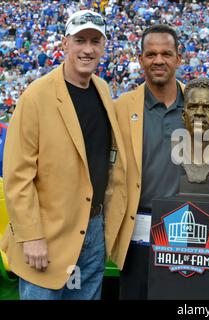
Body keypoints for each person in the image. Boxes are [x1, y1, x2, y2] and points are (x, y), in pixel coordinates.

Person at [0, 10, 127, 300]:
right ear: (64, 44)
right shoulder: (36, 95)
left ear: (104, 47)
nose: (88, 49)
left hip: (92, 229)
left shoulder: (103, 90)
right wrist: (31, 236)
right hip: (48, 233)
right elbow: (18, 175)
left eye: (95, 41)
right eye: (80, 40)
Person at [112, 24, 185, 300]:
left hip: (184, 229)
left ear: (179, 58)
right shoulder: (122, 107)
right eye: (151, 54)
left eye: (166, 53)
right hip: (137, 229)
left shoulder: (198, 104)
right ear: (140, 59)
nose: (158, 60)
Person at [178, 77, 209, 183]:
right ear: (183, 115)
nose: (199, 112)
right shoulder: (176, 148)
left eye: (208, 108)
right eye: (192, 107)